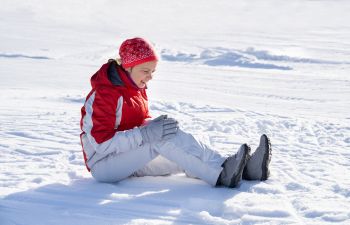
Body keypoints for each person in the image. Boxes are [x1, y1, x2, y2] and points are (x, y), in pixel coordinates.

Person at [80, 37, 272, 188]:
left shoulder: (135, 87)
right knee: (160, 140)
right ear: (127, 66)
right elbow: (101, 144)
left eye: (153, 71)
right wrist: (147, 133)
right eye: (145, 70)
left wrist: (153, 125)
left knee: (182, 151)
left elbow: (137, 122)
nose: (150, 77)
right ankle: (222, 176)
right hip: (104, 164)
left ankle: (244, 170)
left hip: (128, 156)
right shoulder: (105, 94)